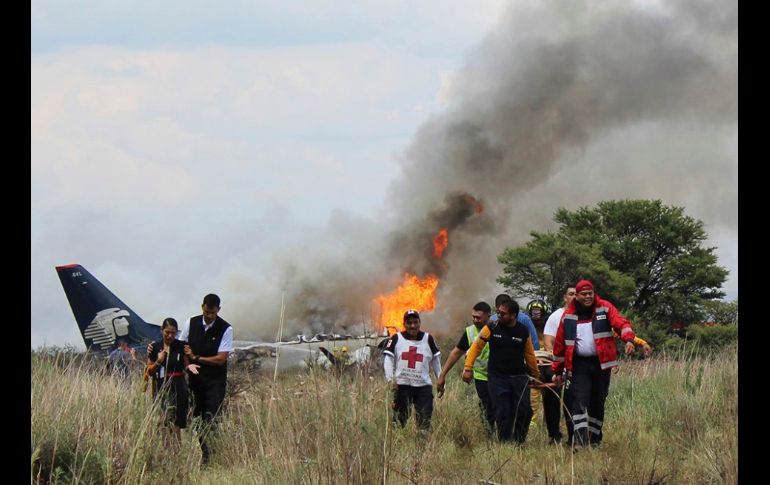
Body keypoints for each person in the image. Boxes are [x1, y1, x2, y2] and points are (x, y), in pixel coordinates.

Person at [551, 280, 635, 448]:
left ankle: (595, 440)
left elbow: (621, 323)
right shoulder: (567, 316)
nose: (588, 296)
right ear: (577, 296)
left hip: (601, 365)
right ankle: (580, 442)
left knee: (598, 402)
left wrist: (628, 339)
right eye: (584, 294)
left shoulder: (605, 308)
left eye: (590, 293)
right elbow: (560, 346)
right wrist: (557, 371)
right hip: (579, 365)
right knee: (579, 402)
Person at [463, 299, 540, 444]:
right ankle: (504, 443)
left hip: (519, 377)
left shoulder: (523, 331)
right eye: (498, 312)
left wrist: (535, 375)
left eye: (503, 314)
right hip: (497, 378)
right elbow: (476, 347)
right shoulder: (492, 327)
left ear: (513, 315)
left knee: (525, 411)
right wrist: (468, 368)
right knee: (504, 412)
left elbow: (529, 355)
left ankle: (518, 442)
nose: (498, 316)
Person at [180, 293, 233, 464]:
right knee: (196, 418)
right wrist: (188, 365)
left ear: (218, 310)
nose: (209, 316)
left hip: (215, 382)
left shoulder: (226, 329)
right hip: (195, 380)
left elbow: (220, 359)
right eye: (206, 312)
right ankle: (203, 453)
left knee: (210, 418)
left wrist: (196, 358)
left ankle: (210, 457)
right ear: (202, 306)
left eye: (212, 313)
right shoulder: (191, 322)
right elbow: (183, 347)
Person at [436, 301, 495, 434]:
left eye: (478, 317)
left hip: (499, 375)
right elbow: (456, 353)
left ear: (488, 316)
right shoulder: (470, 332)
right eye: (473, 316)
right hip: (481, 376)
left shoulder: (497, 329)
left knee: (501, 406)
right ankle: (491, 436)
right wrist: (443, 374)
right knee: (487, 406)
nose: (475, 320)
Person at [383, 310, 442, 431]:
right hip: (402, 386)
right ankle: (398, 445)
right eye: (409, 323)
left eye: (415, 322)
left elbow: (436, 360)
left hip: (423, 387)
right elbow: (388, 359)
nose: (413, 326)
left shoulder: (428, 338)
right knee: (400, 422)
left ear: (420, 323)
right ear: (404, 324)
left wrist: (440, 379)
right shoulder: (396, 338)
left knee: (424, 421)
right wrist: (390, 380)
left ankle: (422, 446)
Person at [146, 318, 199, 444]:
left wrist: (189, 366)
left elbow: (186, 365)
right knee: (163, 418)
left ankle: (176, 450)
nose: (170, 336)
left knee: (176, 419)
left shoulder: (181, 346)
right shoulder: (154, 347)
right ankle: (165, 448)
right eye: (167, 332)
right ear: (161, 330)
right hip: (161, 385)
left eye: (173, 333)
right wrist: (159, 361)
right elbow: (149, 371)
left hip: (178, 384)